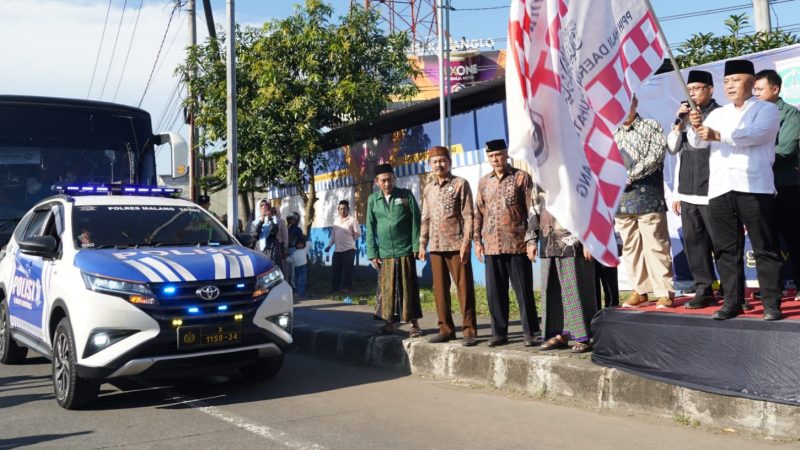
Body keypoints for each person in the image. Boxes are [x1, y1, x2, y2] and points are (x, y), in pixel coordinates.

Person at [688, 59, 782, 321]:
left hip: (754, 187)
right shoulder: (717, 114)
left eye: (735, 80)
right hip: (720, 188)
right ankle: (732, 301)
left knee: (764, 247)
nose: (729, 86)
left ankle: (771, 303)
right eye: (726, 82)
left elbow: (755, 135)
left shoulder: (766, 110)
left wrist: (716, 135)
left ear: (751, 83)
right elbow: (697, 143)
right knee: (726, 250)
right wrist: (695, 126)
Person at [474, 139, 539, 347]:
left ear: (506, 154)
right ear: (488, 157)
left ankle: (530, 332)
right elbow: (478, 213)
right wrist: (477, 240)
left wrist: (531, 240)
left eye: (499, 155)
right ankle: (499, 333)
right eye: (492, 156)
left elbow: (532, 211)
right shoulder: (484, 182)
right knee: (495, 293)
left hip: (517, 244)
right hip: (492, 246)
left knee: (523, 291)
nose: (496, 159)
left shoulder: (521, 178)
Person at [667, 70, 723, 309]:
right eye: (689, 90)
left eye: (697, 89)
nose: (692, 94)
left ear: (710, 89)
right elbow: (672, 150)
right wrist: (679, 123)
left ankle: (732, 290)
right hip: (688, 191)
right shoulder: (685, 117)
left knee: (721, 243)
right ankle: (704, 288)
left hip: (713, 189)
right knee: (694, 243)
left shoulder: (721, 114)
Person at [614, 95, 675, 308]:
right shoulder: (611, 132)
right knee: (630, 247)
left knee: (656, 245)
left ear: (635, 103)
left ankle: (664, 291)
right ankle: (640, 290)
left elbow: (656, 156)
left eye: (626, 103)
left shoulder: (652, 126)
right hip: (621, 200)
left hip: (648, 196)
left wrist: (629, 176)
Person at [417, 146, 478, 347]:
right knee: (440, 291)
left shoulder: (461, 184)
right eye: (435, 162)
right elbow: (425, 217)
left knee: (464, 288)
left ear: (449, 162)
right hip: (435, 246)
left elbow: (468, 215)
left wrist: (466, 242)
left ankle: (469, 331)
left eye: (442, 161)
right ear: (430, 165)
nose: (439, 165)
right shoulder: (428, 188)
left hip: (456, 244)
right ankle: (445, 330)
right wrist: (422, 244)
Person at [531, 185, 597, 353]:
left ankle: (586, 336)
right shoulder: (541, 174)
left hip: (573, 243)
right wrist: (531, 240)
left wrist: (590, 239)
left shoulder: (575, 168)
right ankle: (559, 334)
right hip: (547, 243)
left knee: (576, 290)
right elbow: (534, 208)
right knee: (552, 292)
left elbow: (591, 205)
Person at [754, 69, 800, 300]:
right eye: (755, 90)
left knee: (793, 237)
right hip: (762, 185)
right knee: (767, 240)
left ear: (775, 89)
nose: (756, 94)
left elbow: (786, 150)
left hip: (785, 185)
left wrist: (754, 159)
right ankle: (773, 288)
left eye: (760, 89)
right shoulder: (753, 114)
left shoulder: (791, 114)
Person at [366, 163, 423, 337]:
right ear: (377, 182)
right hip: (385, 253)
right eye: (383, 180)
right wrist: (372, 253)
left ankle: (414, 324)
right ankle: (389, 324)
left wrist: (416, 246)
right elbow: (370, 227)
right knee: (387, 289)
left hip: (405, 250)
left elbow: (416, 221)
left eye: (390, 179)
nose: (387, 183)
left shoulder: (405, 195)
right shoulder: (372, 200)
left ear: (394, 178)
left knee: (408, 286)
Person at [325, 200, 361, 292]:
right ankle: (335, 287)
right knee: (335, 269)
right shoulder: (336, 221)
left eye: (344, 209)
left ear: (348, 209)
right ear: (338, 210)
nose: (342, 211)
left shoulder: (352, 220)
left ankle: (347, 287)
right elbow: (333, 235)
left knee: (348, 270)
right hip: (337, 250)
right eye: (341, 209)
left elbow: (357, 233)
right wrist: (329, 246)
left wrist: (350, 240)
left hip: (349, 249)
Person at [251, 200, 284, 268]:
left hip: (272, 248)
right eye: (261, 205)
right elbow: (255, 234)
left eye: (266, 205)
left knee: (273, 268)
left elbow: (274, 231)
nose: (264, 207)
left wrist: (269, 219)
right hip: (260, 249)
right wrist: (262, 220)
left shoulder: (273, 219)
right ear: (258, 208)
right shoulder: (255, 222)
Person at [285, 212, 303, 289]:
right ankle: (287, 284)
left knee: (293, 270)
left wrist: (297, 246)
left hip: (294, 250)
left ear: (296, 220)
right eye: (290, 219)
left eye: (293, 219)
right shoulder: (286, 229)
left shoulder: (298, 230)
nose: (291, 221)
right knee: (287, 269)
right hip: (287, 249)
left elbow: (300, 240)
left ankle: (293, 285)